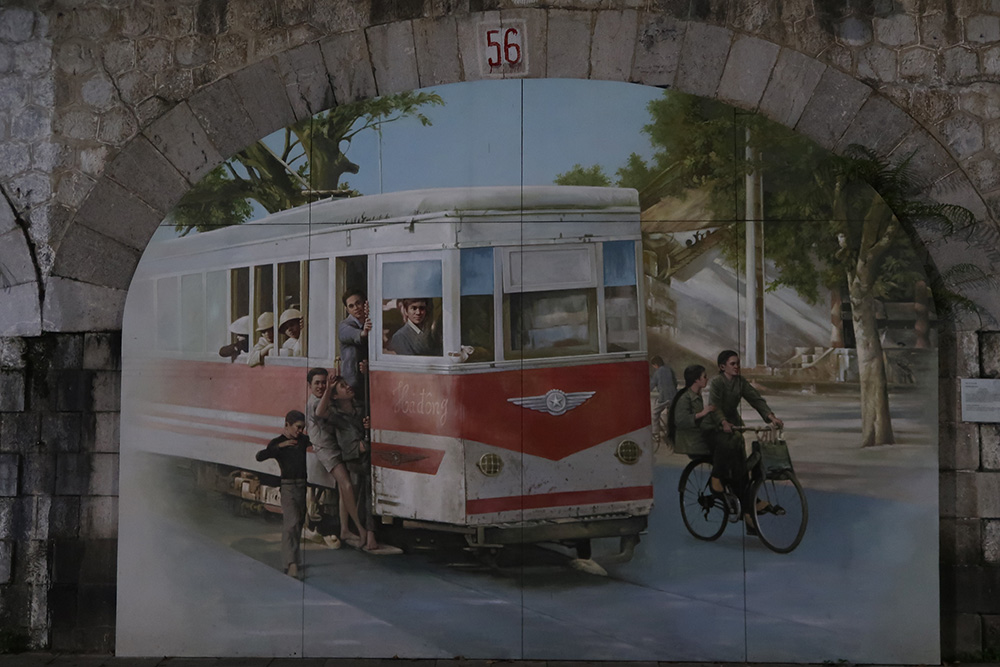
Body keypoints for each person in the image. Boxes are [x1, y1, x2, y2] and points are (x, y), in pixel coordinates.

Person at [708, 349, 785, 532]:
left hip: (733, 423)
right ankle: (716, 479)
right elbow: (714, 406)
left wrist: (771, 417)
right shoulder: (717, 382)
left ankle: (748, 508)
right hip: (716, 423)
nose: (737, 367)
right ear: (722, 367)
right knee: (728, 443)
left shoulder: (740, 382)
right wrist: (723, 422)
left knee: (741, 464)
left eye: (738, 363)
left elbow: (755, 399)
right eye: (732, 364)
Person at [325, 374, 401, 555]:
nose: (348, 387)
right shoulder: (337, 416)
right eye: (342, 386)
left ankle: (368, 532)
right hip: (354, 458)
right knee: (363, 489)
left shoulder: (360, 407)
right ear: (335, 396)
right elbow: (321, 413)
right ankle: (367, 532)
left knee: (366, 489)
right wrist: (328, 389)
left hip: (365, 455)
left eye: (346, 384)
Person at [304, 367, 373, 551]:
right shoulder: (315, 402)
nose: (321, 386)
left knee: (344, 490)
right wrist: (329, 388)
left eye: (323, 382)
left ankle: (345, 530)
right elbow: (321, 412)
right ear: (309, 386)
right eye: (317, 383)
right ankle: (359, 528)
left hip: (335, 447)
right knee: (347, 485)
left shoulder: (330, 401)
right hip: (327, 450)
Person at [255, 410, 310, 578]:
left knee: (298, 523)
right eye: (298, 427)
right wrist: (281, 446)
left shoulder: (303, 440)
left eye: (302, 428)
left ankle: (294, 559)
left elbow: (316, 440)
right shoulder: (277, 443)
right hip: (288, 487)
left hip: (302, 486)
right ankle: (290, 563)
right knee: (291, 523)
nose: (300, 431)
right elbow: (260, 456)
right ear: (287, 425)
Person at [666, 364, 718, 456]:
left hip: (695, 436)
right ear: (696, 380)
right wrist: (702, 413)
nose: (707, 379)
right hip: (689, 440)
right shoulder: (685, 398)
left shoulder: (697, 395)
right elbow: (681, 421)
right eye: (704, 377)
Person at [338, 289, 371, 392]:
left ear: (365, 303)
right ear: (347, 310)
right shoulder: (344, 325)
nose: (356, 308)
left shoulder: (371, 321)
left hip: (370, 377)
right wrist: (364, 332)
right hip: (351, 383)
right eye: (351, 306)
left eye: (358, 303)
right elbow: (355, 335)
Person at [650, 355, 678, 441]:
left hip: (663, 397)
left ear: (656, 365)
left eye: (653, 366)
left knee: (655, 413)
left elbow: (650, 386)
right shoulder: (669, 369)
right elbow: (675, 382)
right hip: (674, 396)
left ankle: (656, 434)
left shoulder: (657, 372)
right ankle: (672, 433)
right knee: (671, 414)